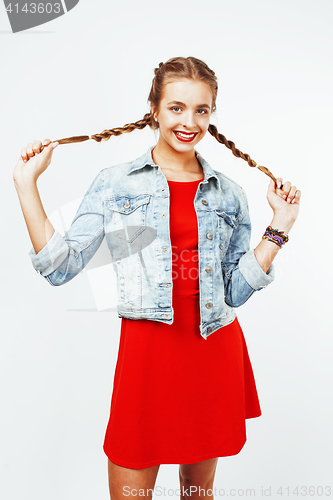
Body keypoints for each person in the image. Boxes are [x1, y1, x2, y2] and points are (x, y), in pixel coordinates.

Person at [13, 56, 301, 500]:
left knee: (198, 493)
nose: (189, 122)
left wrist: (279, 225)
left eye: (202, 110)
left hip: (213, 349)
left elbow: (236, 291)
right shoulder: (115, 184)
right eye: (177, 108)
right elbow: (60, 267)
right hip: (147, 355)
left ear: (212, 114)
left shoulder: (230, 193)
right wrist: (26, 185)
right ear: (154, 109)